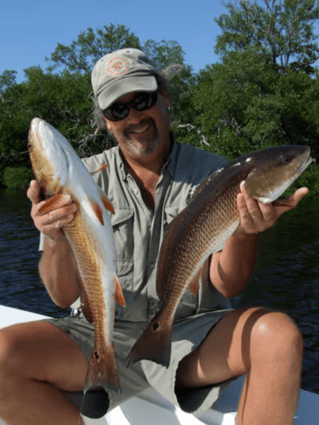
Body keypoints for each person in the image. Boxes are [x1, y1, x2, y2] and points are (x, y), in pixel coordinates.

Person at [0, 48, 307, 425]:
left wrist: (245, 233)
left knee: (278, 337)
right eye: (117, 110)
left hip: (190, 335)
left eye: (142, 100)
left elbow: (226, 285)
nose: (133, 116)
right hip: (98, 336)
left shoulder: (215, 175)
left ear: (164, 97)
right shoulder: (79, 183)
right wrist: (56, 237)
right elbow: (63, 295)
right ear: (104, 122)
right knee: (1, 355)